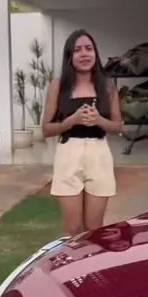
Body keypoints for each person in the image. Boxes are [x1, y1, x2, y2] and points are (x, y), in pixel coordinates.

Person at [42, 29, 123, 236]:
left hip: (99, 154)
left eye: (89, 48)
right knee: (73, 229)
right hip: (68, 153)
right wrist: (71, 121)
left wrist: (98, 120)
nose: (84, 54)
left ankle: (93, 258)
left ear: (96, 53)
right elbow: (46, 129)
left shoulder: (107, 86)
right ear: (69, 56)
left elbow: (117, 126)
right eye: (77, 50)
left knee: (94, 228)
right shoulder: (58, 86)